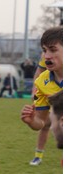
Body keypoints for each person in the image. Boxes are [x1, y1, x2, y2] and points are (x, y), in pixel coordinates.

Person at [20, 28, 62, 166]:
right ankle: (38, 155)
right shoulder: (42, 83)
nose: (47, 56)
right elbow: (40, 122)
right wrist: (31, 120)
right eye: (44, 51)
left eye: (53, 50)